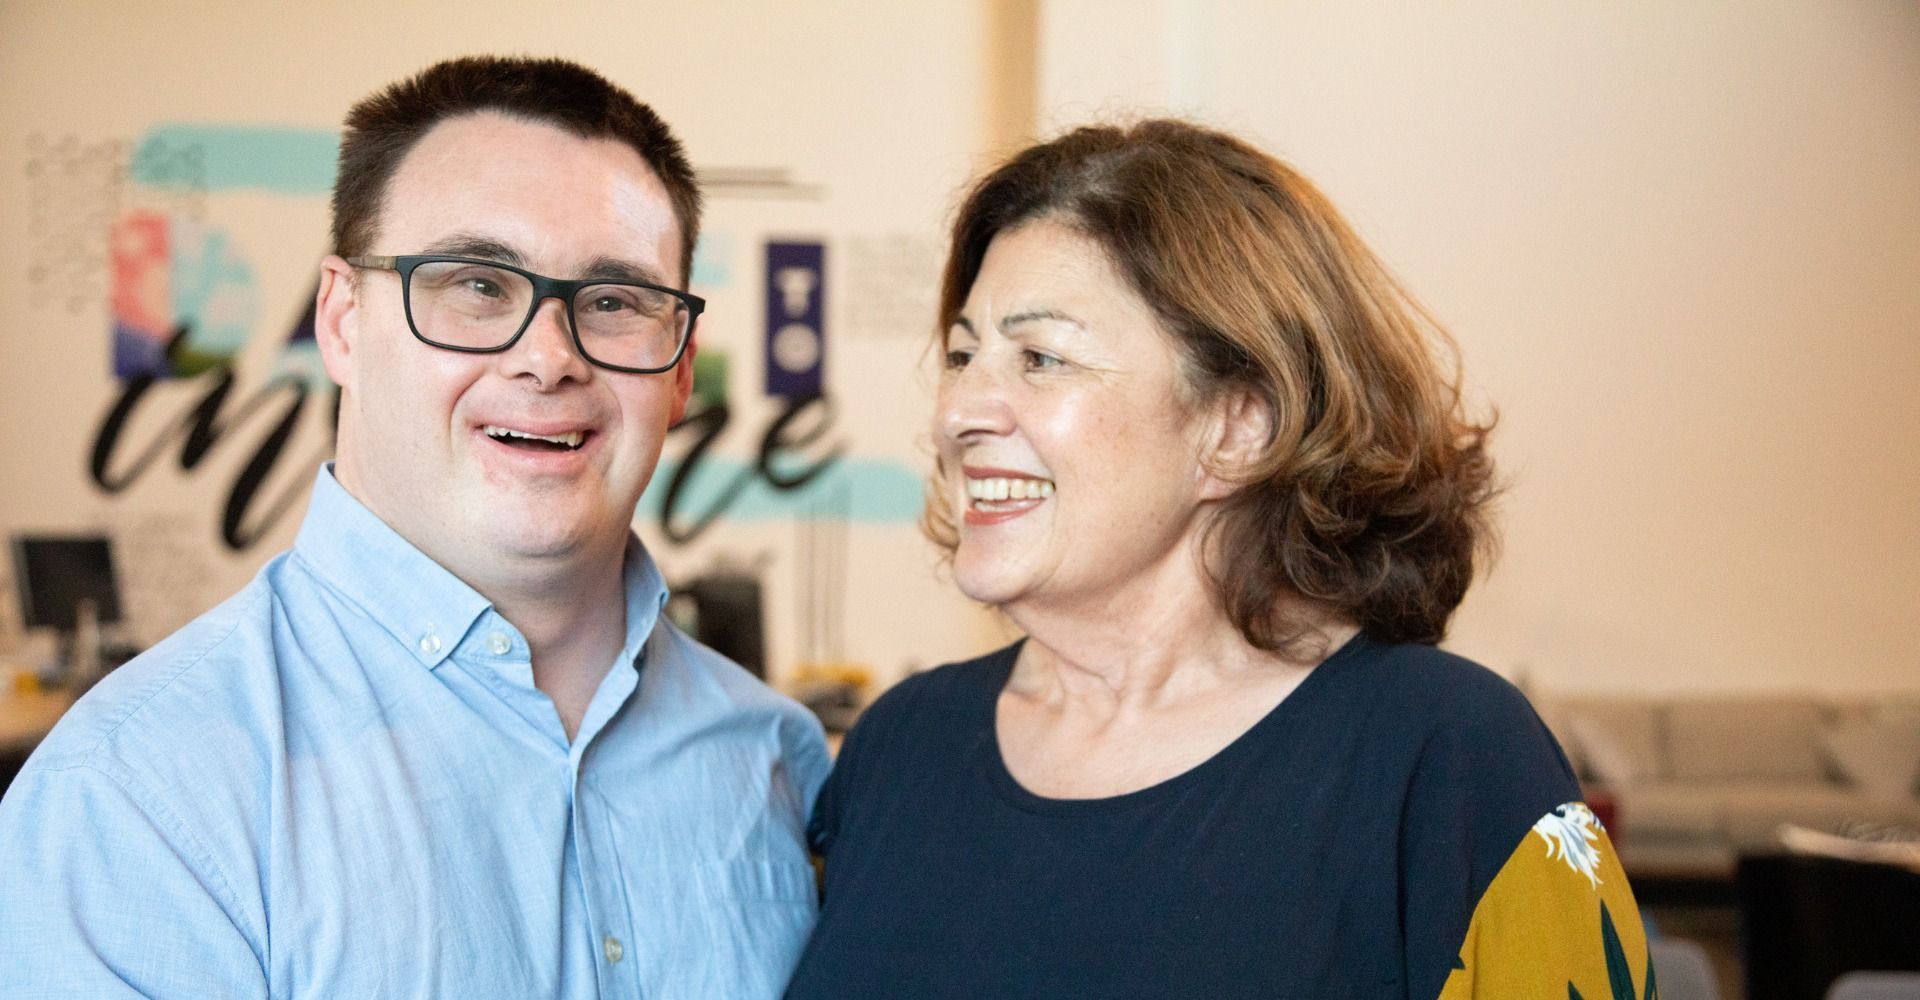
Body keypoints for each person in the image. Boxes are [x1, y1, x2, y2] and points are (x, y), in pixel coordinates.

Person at [0, 57, 829, 998]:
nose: (549, 359)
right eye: (476, 285)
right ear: (343, 321)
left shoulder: (776, 758)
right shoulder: (135, 794)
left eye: (613, 301)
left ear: (680, 372)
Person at [785, 120, 1649, 999]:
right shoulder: (901, 746)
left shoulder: (1450, 759)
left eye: (1041, 357)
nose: (959, 411)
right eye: (964, 355)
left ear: (1239, 428)